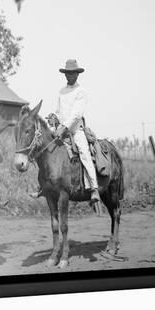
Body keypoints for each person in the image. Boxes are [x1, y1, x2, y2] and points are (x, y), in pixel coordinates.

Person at [53, 59, 101, 208]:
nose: (69, 76)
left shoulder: (81, 92)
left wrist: (64, 127)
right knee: (49, 151)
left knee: (84, 152)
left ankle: (93, 188)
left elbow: (76, 114)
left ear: (77, 74)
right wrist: (55, 119)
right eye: (67, 73)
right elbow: (58, 110)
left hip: (75, 130)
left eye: (72, 73)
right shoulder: (61, 91)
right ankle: (47, 186)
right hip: (62, 129)